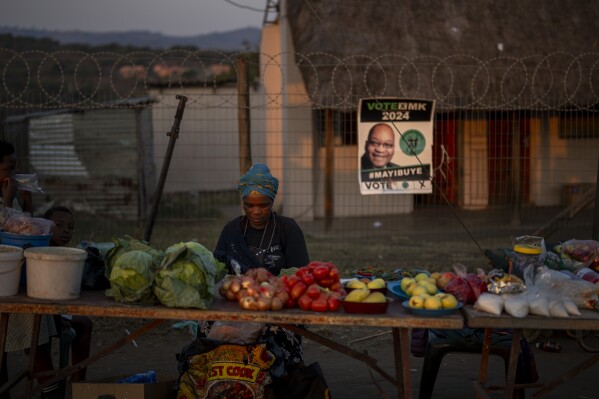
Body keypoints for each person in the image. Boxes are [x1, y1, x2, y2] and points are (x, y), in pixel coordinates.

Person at [197, 163, 311, 376]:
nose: (256, 211)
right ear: (243, 202)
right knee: (207, 323)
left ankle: (274, 382)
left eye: (264, 205)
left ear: (272, 201)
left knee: (274, 332)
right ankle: (217, 377)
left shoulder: (288, 229)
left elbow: (300, 277)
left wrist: (271, 290)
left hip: (276, 308)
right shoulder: (231, 231)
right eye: (249, 205)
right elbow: (217, 272)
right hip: (237, 306)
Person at [0, 140, 61, 399]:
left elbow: (19, 228)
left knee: (36, 334)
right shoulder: (4, 194)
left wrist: (25, 205)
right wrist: (7, 198)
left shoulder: (7, 193)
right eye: (9, 167)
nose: (13, 174)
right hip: (5, 283)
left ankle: (50, 389)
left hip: (17, 280)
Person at [43, 206, 93, 385]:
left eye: (70, 227)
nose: (65, 230)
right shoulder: (39, 252)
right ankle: (52, 385)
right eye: (59, 225)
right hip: (39, 315)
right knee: (82, 323)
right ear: (44, 226)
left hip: (54, 312)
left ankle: (77, 383)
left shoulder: (64, 254)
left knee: (85, 323)